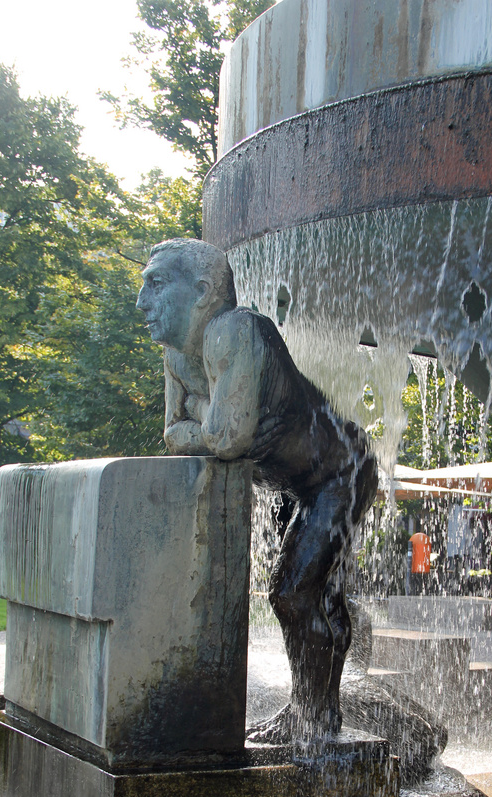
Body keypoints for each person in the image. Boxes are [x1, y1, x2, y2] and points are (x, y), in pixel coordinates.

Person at [137, 238, 378, 742]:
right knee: (316, 593)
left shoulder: (237, 331)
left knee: (293, 593)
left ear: (203, 291)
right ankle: (317, 715)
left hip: (342, 471)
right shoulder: (179, 357)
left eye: (155, 285)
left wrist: (208, 422)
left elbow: (225, 440)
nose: (142, 303)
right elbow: (177, 433)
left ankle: (312, 718)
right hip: (296, 482)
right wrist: (216, 419)